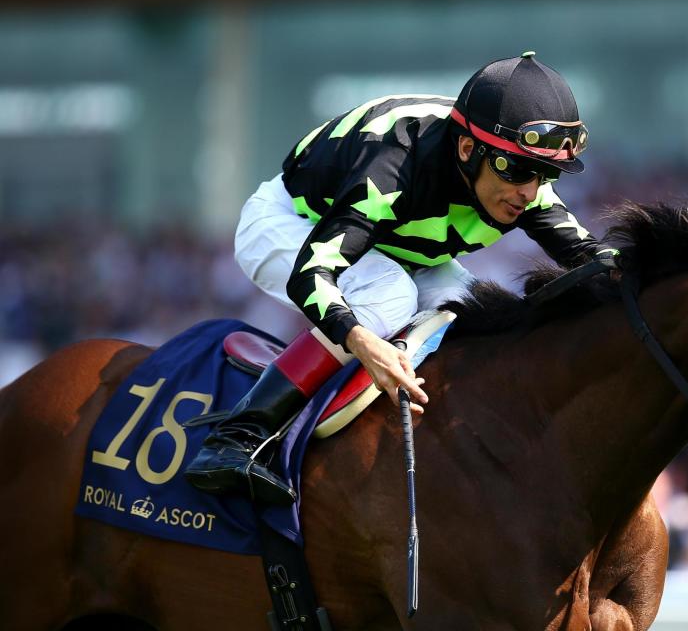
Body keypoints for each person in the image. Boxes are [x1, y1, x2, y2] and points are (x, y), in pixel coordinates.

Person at [185, 51, 616, 505]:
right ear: (468, 150)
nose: (530, 191)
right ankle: (237, 437)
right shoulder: (392, 167)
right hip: (292, 222)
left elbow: (595, 258)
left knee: (472, 305)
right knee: (389, 296)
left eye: (546, 173)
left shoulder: (517, 179)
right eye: (521, 170)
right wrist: (360, 340)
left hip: (394, 244)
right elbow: (312, 274)